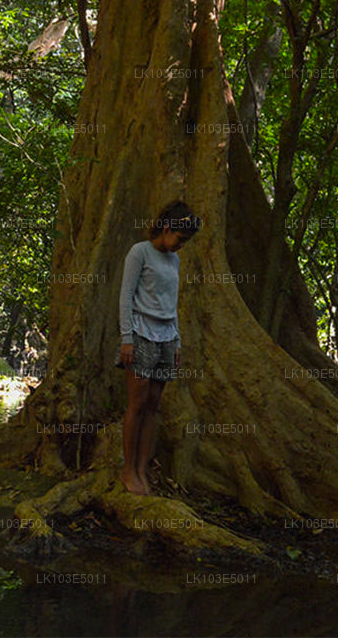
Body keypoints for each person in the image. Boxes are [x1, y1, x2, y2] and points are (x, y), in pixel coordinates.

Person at [118, 200, 200, 495]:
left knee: (154, 406)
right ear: (167, 228)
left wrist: (176, 341)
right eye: (180, 239)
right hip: (140, 333)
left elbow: (172, 304)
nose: (181, 246)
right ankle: (128, 470)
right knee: (137, 403)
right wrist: (127, 338)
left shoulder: (174, 261)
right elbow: (126, 296)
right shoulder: (139, 252)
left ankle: (141, 470)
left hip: (167, 337)